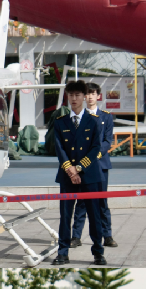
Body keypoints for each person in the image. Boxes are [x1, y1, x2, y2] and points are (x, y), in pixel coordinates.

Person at [52, 80, 107, 266]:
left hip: (89, 175)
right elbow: (59, 148)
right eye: (71, 95)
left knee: (94, 215)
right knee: (65, 216)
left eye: (77, 95)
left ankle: (98, 252)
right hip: (67, 176)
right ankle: (63, 252)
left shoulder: (94, 121)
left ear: (84, 97)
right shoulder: (60, 122)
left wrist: (79, 168)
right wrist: (70, 169)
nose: (74, 99)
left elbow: (95, 147)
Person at [72, 82, 117, 249]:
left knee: (102, 201)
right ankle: (76, 236)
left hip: (100, 165)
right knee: (82, 202)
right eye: (87, 94)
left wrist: (95, 155)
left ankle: (107, 235)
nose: (90, 97)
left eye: (93, 93)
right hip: (83, 167)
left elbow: (107, 141)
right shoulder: (78, 116)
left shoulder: (106, 117)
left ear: (98, 96)